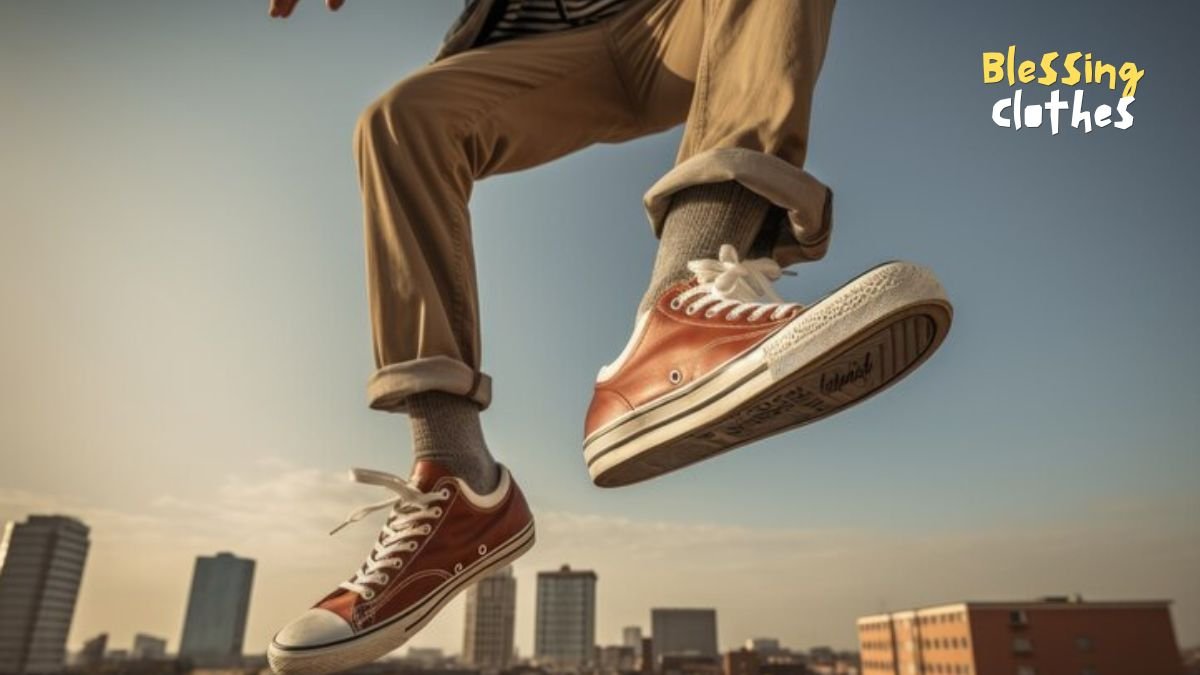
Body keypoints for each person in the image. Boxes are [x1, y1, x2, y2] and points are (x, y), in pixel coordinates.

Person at [264, 1, 952, 673]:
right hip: (549, 51)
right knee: (399, 122)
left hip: (675, 23)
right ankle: (459, 480)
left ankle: (681, 311)